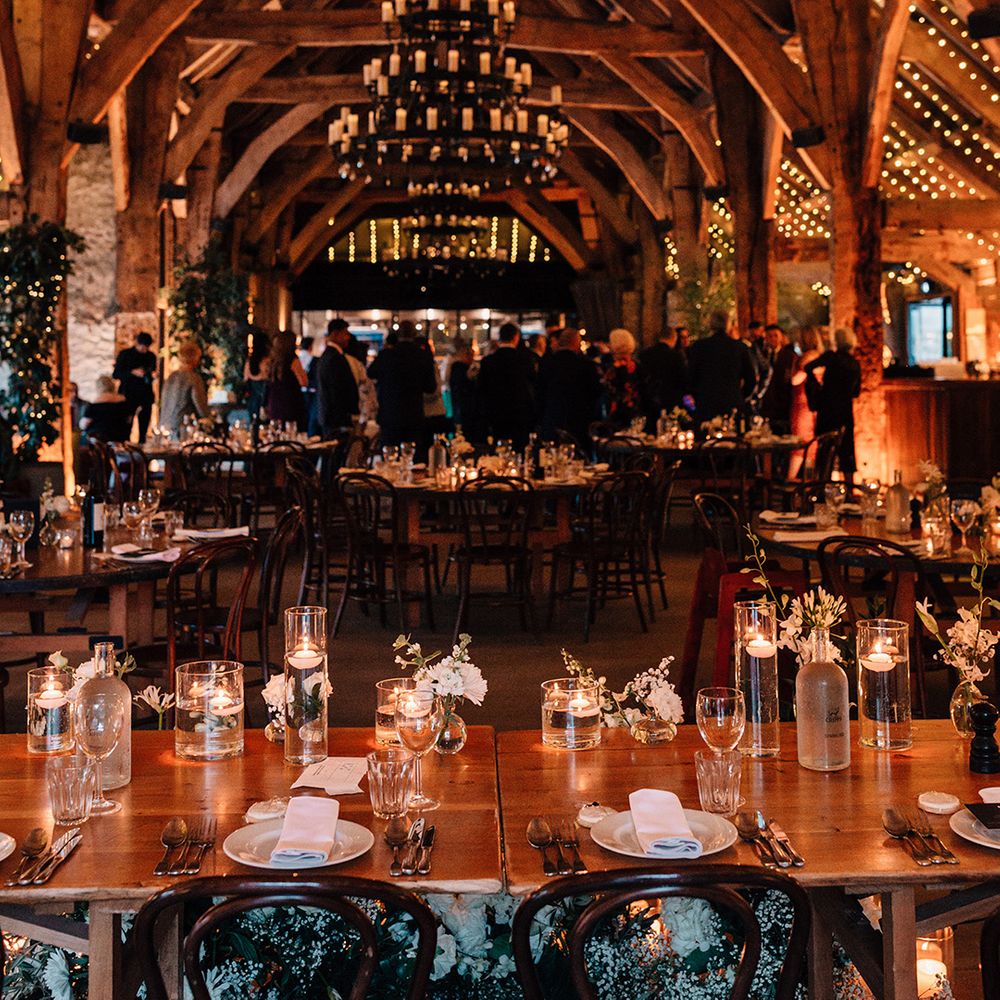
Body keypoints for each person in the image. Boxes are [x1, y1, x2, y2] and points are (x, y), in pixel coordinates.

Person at [367, 320, 436, 447]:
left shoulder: (387, 354)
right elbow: (430, 387)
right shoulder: (422, 356)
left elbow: (371, 372)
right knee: (412, 455)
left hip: (390, 414)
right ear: (414, 335)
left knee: (390, 455)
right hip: (413, 414)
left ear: (398, 335)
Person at [805, 327, 861, 480]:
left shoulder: (831, 357)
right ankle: (849, 490)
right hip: (845, 411)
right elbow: (856, 392)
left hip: (827, 410)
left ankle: (821, 487)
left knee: (824, 451)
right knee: (847, 451)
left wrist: (817, 387)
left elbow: (808, 367)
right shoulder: (854, 364)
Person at [686, 310, 756, 422]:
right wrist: (739, 395)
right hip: (732, 402)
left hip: (706, 403)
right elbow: (751, 379)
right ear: (728, 325)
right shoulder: (739, 348)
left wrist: (697, 396)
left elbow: (690, 378)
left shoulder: (699, 347)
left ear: (710, 325)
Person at [537, 327, 601, 446]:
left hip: (552, 417)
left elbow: (540, 392)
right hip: (579, 420)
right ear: (576, 343)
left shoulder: (546, 363)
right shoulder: (585, 365)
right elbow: (595, 392)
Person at [476, 322, 536, 448]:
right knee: (520, 449)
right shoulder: (525, 359)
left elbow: (481, 389)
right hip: (520, 414)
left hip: (496, 413)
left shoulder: (488, 361)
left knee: (499, 450)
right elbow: (533, 386)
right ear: (516, 337)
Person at [787, 327, 822, 478]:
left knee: (800, 445)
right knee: (811, 446)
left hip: (803, 405)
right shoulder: (820, 356)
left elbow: (795, 380)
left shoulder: (807, 358)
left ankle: (791, 479)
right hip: (815, 405)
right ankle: (808, 483)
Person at [316, 319, 360, 438]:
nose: (348, 338)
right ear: (335, 334)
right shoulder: (335, 358)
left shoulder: (326, 356)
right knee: (338, 453)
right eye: (345, 334)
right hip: (337, 418)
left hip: (328, 415)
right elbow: (339, 389)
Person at [112, 331, 157, 443]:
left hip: (145, 394)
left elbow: (152, 374)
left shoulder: (151, 357)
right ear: (137, 343)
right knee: (126, 425)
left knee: (144, 426)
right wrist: (132, 372)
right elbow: (116, 374)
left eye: (147, 347)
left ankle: (142, 450)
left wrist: (151, 375)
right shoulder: (125, 355)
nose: (144, 349)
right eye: (142, 346)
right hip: (128, 394)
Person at [159, 341, 211, 436]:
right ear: (195, 358)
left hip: (164, 427)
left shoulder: (171, 377)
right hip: (181, 429)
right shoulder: (194, 378)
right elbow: (201, 408)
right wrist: (210, 420)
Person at [640, 326, 688, 426]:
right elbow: (683, 380)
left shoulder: (645, 354)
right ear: (674, 338)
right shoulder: (676, 356)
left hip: (649, 400)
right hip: (671, 400)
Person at [602, 328, 644, 429]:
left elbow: (608, 390)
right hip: (637, 411)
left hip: (617, 413)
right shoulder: (637, 365)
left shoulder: (613, 368)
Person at [758, 323, 797, 429]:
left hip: (783, 400)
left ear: (781, 337)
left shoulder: (789, 355)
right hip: (767, 402)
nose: (773, 339)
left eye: (775, 335)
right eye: (769, 336)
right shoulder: (761, 354)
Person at [266, 329, 308, 429]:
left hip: (274, 403)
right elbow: (304, 382)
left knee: (277, 432)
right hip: (291, 402)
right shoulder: (293, 359)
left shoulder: (273, 361)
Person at [79, 375, 131, 444]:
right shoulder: (123, 401)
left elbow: (84, 424)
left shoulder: (95, 405)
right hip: (120, 436)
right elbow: (129, 419)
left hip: (99, 439)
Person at [244, 328, 271, 422]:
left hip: (253, 396)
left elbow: (246, 378)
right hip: (267, 394)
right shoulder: (268, 361)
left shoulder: (250, 361)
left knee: (254, 422)